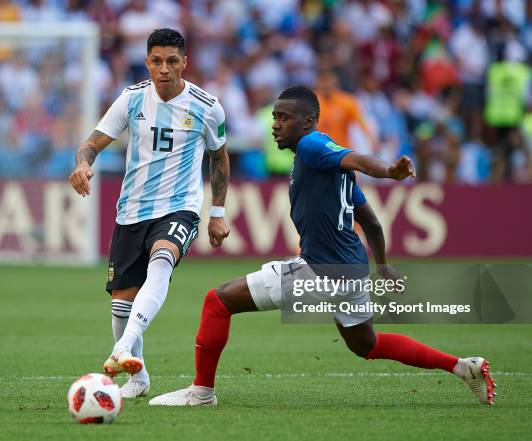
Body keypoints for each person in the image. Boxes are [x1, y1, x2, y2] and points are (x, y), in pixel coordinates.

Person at [149, 86, 496, 407]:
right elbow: (372, 222)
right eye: (274, 118)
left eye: (284, 118)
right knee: (367, 345)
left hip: (321, 272)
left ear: (309, 121)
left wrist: (389, 171)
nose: (276, 126)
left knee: (217, 302)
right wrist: (383, 265)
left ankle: (201, 393)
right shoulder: (328, 170)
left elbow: (357, 159)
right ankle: (462, 367)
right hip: (353, 272)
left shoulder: (314, 146)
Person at [69, 28, 231, 398]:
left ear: (184, 63)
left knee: (162, 261)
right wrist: (82, 165)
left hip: (180, 207)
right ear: (147, 62)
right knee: (121, 305)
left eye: (172, 61)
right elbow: (92, 143)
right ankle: (138, 378)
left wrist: (217, 212)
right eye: (156, 61)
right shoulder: (131, 100)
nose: (164, 69)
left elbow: (219, 156)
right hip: (132, 210)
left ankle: (121, 349)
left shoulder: (207, 106)